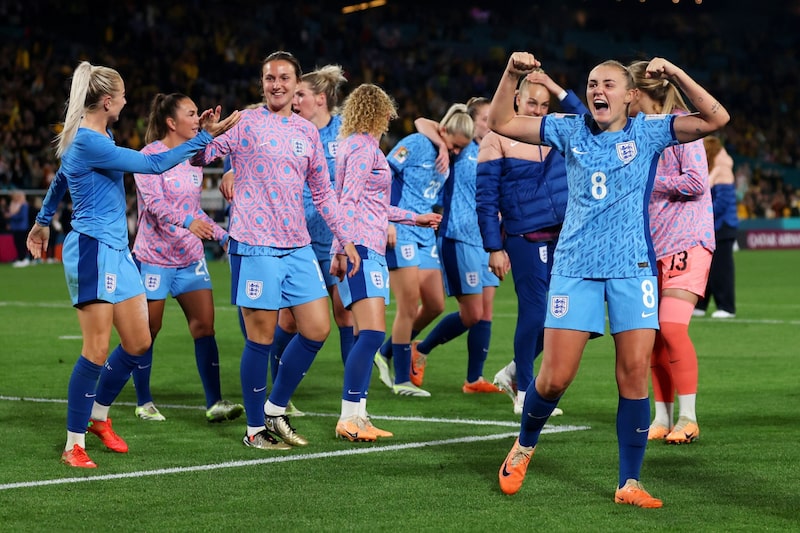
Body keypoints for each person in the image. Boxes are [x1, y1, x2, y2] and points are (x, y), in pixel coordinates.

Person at [490, 52, 729, 507]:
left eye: (608, 84)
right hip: (575, 267)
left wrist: (676, 73)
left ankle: (629, 483)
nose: (598, 90)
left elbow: (716, 118)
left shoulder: (650, 131)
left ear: (631, 95)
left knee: (634, 374)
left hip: (632, 268)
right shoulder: (569, 128)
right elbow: (500, 121)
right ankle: (523, 445)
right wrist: (511, 74)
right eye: (592, 84)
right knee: (555, 378)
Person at [25, 61, 240, 468]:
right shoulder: (89, 141)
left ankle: (98, 417)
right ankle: (73, 444)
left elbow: (60, 179)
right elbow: (154, 164)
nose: (127, 102)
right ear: (107, 101)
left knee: (139, 342)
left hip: (119, 252)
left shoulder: (97, 135)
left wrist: (41, 221)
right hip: (92, 250)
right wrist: (205, 138)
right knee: (95, 349)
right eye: (123, 96)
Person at [191, 51, 360, 451]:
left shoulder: (307, 132)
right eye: (270, 78)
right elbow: (200, 158)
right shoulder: (245, 122)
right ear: (262, 83)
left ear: (297, 85)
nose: (277, 84)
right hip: (255, 244)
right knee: (261, 338)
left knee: (317, 328)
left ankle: (275, 407)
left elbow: (323, 192)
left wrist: (345, 237)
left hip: (298, 244)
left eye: (285, 78)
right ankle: (254, 430)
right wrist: (204, 135)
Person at [330, 83, 442, 440]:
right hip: (361, 248)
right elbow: (347, 201)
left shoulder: (353, 146)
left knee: (364, 334)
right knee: (373, 334)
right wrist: (342, 248)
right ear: (380, 112)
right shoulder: (364, 149)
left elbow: (373, 205)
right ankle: (349, 416)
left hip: (364, 244)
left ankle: (359, 415)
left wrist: (414, 218)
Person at [129, 92, 245, 424]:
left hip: (190, 258)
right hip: (154, 258)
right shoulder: (148, 157)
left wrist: (223, 236)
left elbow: (193, 209)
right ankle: (144, 401)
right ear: (171, 122)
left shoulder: (194, 158)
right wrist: (188, 222)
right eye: (191, 114)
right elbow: (154, 205)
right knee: (147, 331)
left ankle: (214, 402)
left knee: (205, 327)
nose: (198, 119)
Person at [480, 70, 587, 415]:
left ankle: (514, 372)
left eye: (544, 104)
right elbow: (486, 198)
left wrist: (557, 88)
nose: (539, 110)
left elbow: (591, 123)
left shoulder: (556, 129)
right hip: (525, 236)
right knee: (535, 312)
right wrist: (494, 247)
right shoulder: (496, 138)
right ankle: (526, 391)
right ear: (517, 99)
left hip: (565, 236)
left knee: (568, 315)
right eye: (532, 103)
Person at [625, 60, 715, 445]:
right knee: (654, 335)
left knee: (673, 327)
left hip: (688, 240)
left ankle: (689, 417)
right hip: (652, 244)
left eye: (626, 90)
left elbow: (695, 181)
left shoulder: (682, 126)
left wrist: (649, 179)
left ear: (639, 93)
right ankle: (661, 417)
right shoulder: (636, 130)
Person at [373, 103, 474, 397]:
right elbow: (386, 175)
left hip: (425, 233)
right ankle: (402, 379)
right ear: (444, 132)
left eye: (461, 149)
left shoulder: (447, 157)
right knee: (407, 306)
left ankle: (386, 352)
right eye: (454, 146)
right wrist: (387, 220)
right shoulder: (417, 143)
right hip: (401, 229)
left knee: (435, 304)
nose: (456, 152)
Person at [406, 97, 505, 394]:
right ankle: (417, 349)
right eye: (485, 119)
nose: (490, 123)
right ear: (472, 122)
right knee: (472, 314)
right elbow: (422, 122)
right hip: (459, 236)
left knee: (485, 313)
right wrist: (440, 145)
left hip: (487, 241)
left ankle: (473, 379)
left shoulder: (496, 150)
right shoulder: (461, 149)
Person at [269, 64, 353, 415]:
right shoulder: (288, 127)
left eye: (300, 94)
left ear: (320, 98)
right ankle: (278, 394)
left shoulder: (345, 131)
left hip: (334, 240)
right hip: (297, 240)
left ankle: (353, 401)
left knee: (346, 315)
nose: (294, 99)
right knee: (289, 322)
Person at [694, 136, 738, 319]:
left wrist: (702, 212)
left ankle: (726, 306)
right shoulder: (713, 169)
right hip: (712, 226)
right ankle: (701, 304)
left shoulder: (722, 170)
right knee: (707, 267)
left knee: (721, 269)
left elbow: (723, 202)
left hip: (722, 226)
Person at [4, 190, 31, 267]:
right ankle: (20, 258)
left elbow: (21, 216)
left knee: (21, 244)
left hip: (21, 227)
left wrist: (11, 216)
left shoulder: (24, 205)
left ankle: (23, 259)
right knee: (17, 243)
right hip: (16, 228)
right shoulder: (15, 205)